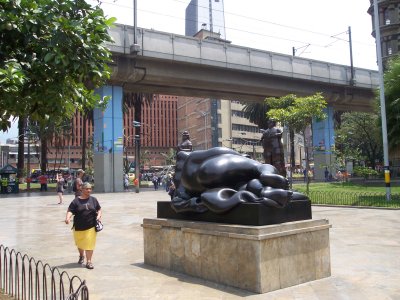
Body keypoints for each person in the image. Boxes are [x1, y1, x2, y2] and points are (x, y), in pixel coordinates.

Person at [65, 182, 102, 270]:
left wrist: (99, 216)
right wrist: (68, 218)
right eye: (86, 189)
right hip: (79, 227)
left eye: (90, 189)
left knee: (89, 244)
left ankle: (89, 261)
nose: (89, 190)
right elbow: (70, 210)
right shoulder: (76, 201)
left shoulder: (93, 199)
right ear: (82, 189)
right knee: (80, 244)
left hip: (91, 226)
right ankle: (81, 256)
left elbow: (99, 209)